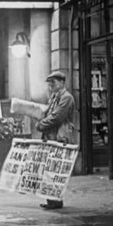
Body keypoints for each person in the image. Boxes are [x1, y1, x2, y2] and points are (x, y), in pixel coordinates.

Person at [35, 71, 75, 210]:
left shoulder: (66, 97)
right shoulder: (54, 97)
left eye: (54, 82)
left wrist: (41, 125)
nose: (51, 85)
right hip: (51, 137)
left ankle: (56, 201)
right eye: (49, 82)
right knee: (49, 170)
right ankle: (52, 200)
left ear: (62, 83)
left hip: (60, 137)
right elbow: (50, 114)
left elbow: (57, 117)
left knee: (56, 170)